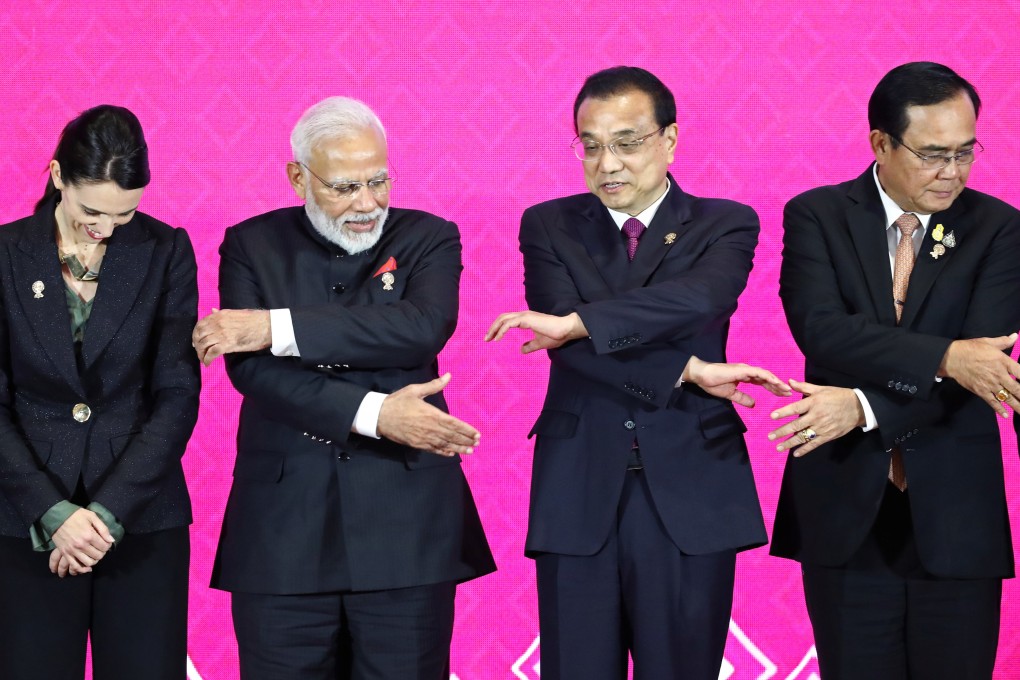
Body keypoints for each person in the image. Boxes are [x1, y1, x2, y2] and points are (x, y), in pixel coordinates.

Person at [486, 66, 788, 680]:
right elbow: (565, 348)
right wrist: (686, 369)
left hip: (691, 481)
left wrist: (580, 322)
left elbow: (697, 300)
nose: (607, 164)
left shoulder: (725, 222)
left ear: (669, 139)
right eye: (590, 145)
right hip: (579, 482)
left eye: (626, 143)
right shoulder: (548, 223)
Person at [193, 96, 495, 679]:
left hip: (406, 528)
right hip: (282, 531)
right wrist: (376, 413)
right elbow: (253, 372)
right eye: (345, 187)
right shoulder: (250, 244)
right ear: (298, 177)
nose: (367, 203)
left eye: (379, 181)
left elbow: (419, 327)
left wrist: (275, 327)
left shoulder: (430, 237)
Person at [769, 62, 1020, 679]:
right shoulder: (818, 215)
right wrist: (947, 356)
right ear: (881, 143)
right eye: (933, 155)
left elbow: (986, 370)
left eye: (965, 152)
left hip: (956, 511)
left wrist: (861, 407)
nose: (952, 172)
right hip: (843, 507)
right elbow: (823, 332)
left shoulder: (999, 228)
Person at [0, 105, 200, 679]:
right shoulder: (6, 253)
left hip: (142, 515)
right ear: (58, 176)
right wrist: (53, 512)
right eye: (92, 211)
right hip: (23, 516)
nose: (107, 229)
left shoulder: (165, 249)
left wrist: (108, 515)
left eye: (125, 213)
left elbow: (177, 392)